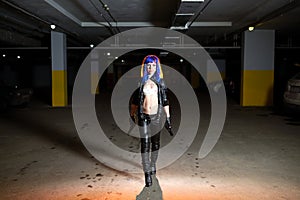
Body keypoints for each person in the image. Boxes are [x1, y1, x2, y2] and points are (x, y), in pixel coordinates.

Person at [130, 55, 173, 187]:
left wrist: (168, 118)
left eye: (153, 65)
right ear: (145, 67)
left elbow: (165, 101)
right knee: (145, 144)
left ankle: (153, 163)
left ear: (157, 67)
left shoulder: (161, 82)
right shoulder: (140, 82)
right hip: (143, 115)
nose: (151, 68)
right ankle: (147, 173)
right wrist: (132, 115)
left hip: (157, 116)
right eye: (148, 65)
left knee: (155, 143)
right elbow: (136, 100)